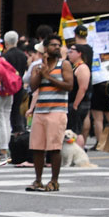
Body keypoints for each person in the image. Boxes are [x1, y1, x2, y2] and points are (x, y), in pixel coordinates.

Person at [26, 35, 73, 193]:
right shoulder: (38, 67)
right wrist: (41, 73)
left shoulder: (64, 64)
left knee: (54, 148)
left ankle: (54, 181)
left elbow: (69, 86)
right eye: (53, 45)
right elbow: (32, 87)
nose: (57, 47)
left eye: (58, 45)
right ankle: (38, 180)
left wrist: (49, 77)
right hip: (40, 110)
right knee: (37, 147)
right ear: (45, 48)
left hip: (57, 111)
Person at [66, 43, 92, 150]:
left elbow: (83, 87)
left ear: (79, 53)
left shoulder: (82, 68)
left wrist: (76, 104)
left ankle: (79, 149)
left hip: (79, 103)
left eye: (72, 52)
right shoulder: (74, 67)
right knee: (73, 127)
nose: (69, 54)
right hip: (73, 102)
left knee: (76, 129)